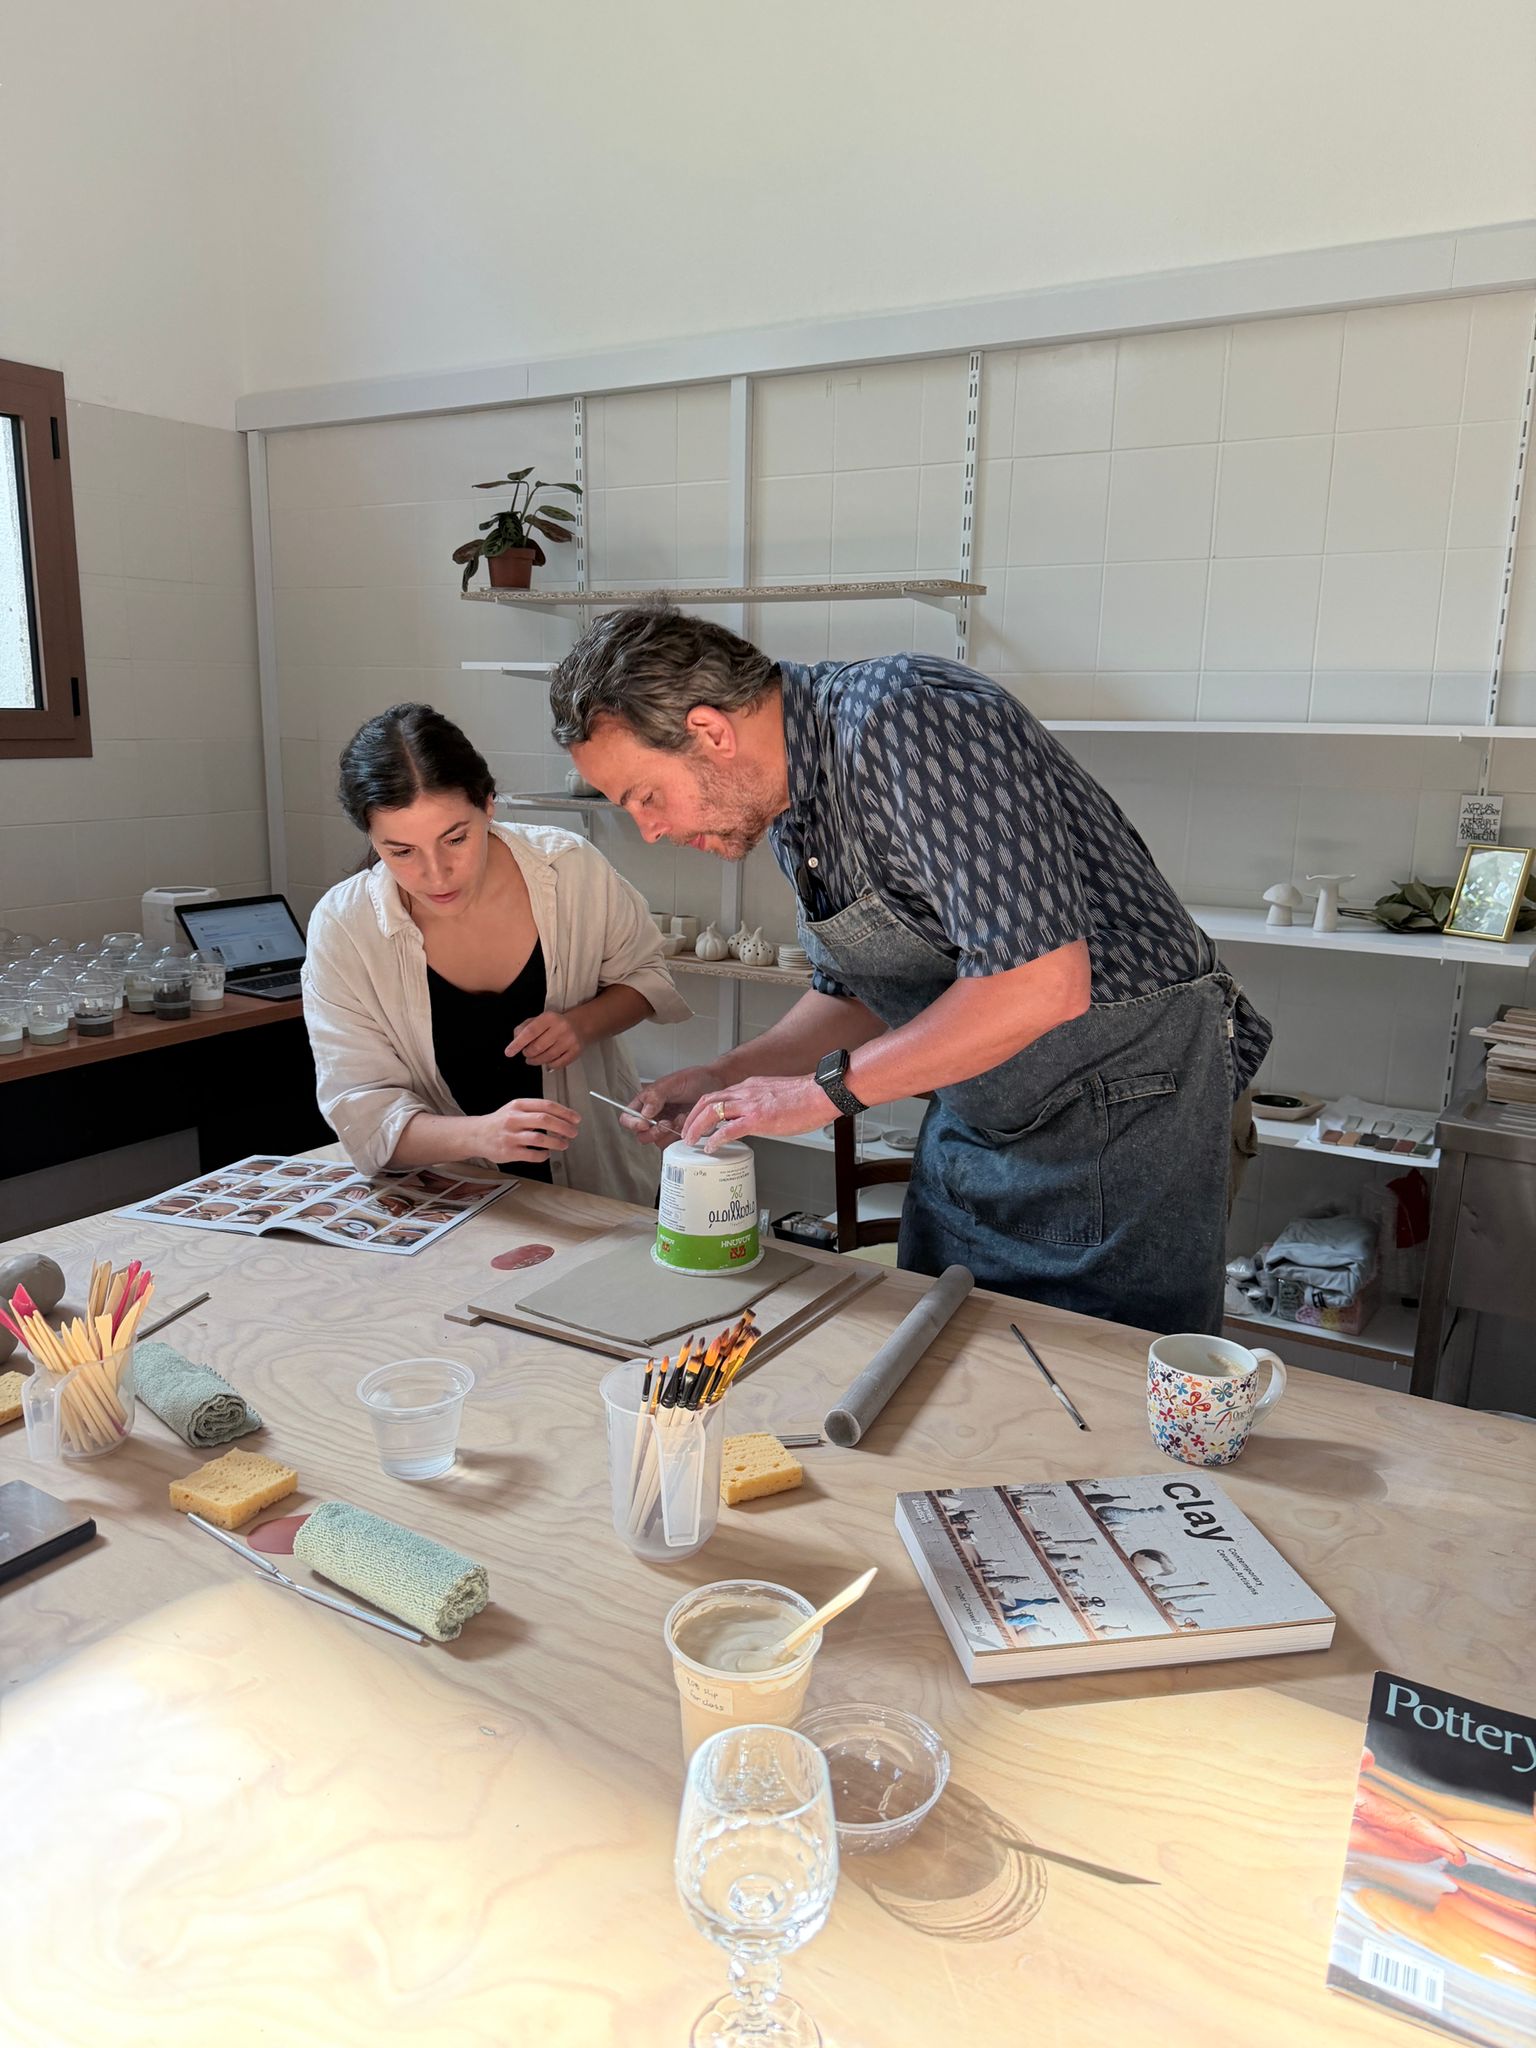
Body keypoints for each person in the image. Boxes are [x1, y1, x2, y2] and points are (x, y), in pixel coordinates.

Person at [549, 610, 1272, 1335]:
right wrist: (728, 1076)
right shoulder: (794, 809)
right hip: (985, 1122)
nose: (651, 829)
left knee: (1094, 1394)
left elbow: (1042, 982)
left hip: (1129, 1112)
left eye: (646, 796)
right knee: (937, 1369)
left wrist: (819, 1094)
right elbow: (859, 995)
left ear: (710, 732)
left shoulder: (905, 717)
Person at [302, 701, 691, 1205]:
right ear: (371, 838)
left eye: (456, 839)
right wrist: (482, 1135)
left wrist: (584, 1023)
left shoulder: (570, 870)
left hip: (598, 1181)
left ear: (488, 804)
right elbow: (362, 1110)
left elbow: (646, 977)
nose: (436, 874)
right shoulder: (344, 928)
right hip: (447, 1203)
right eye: (401, 852)